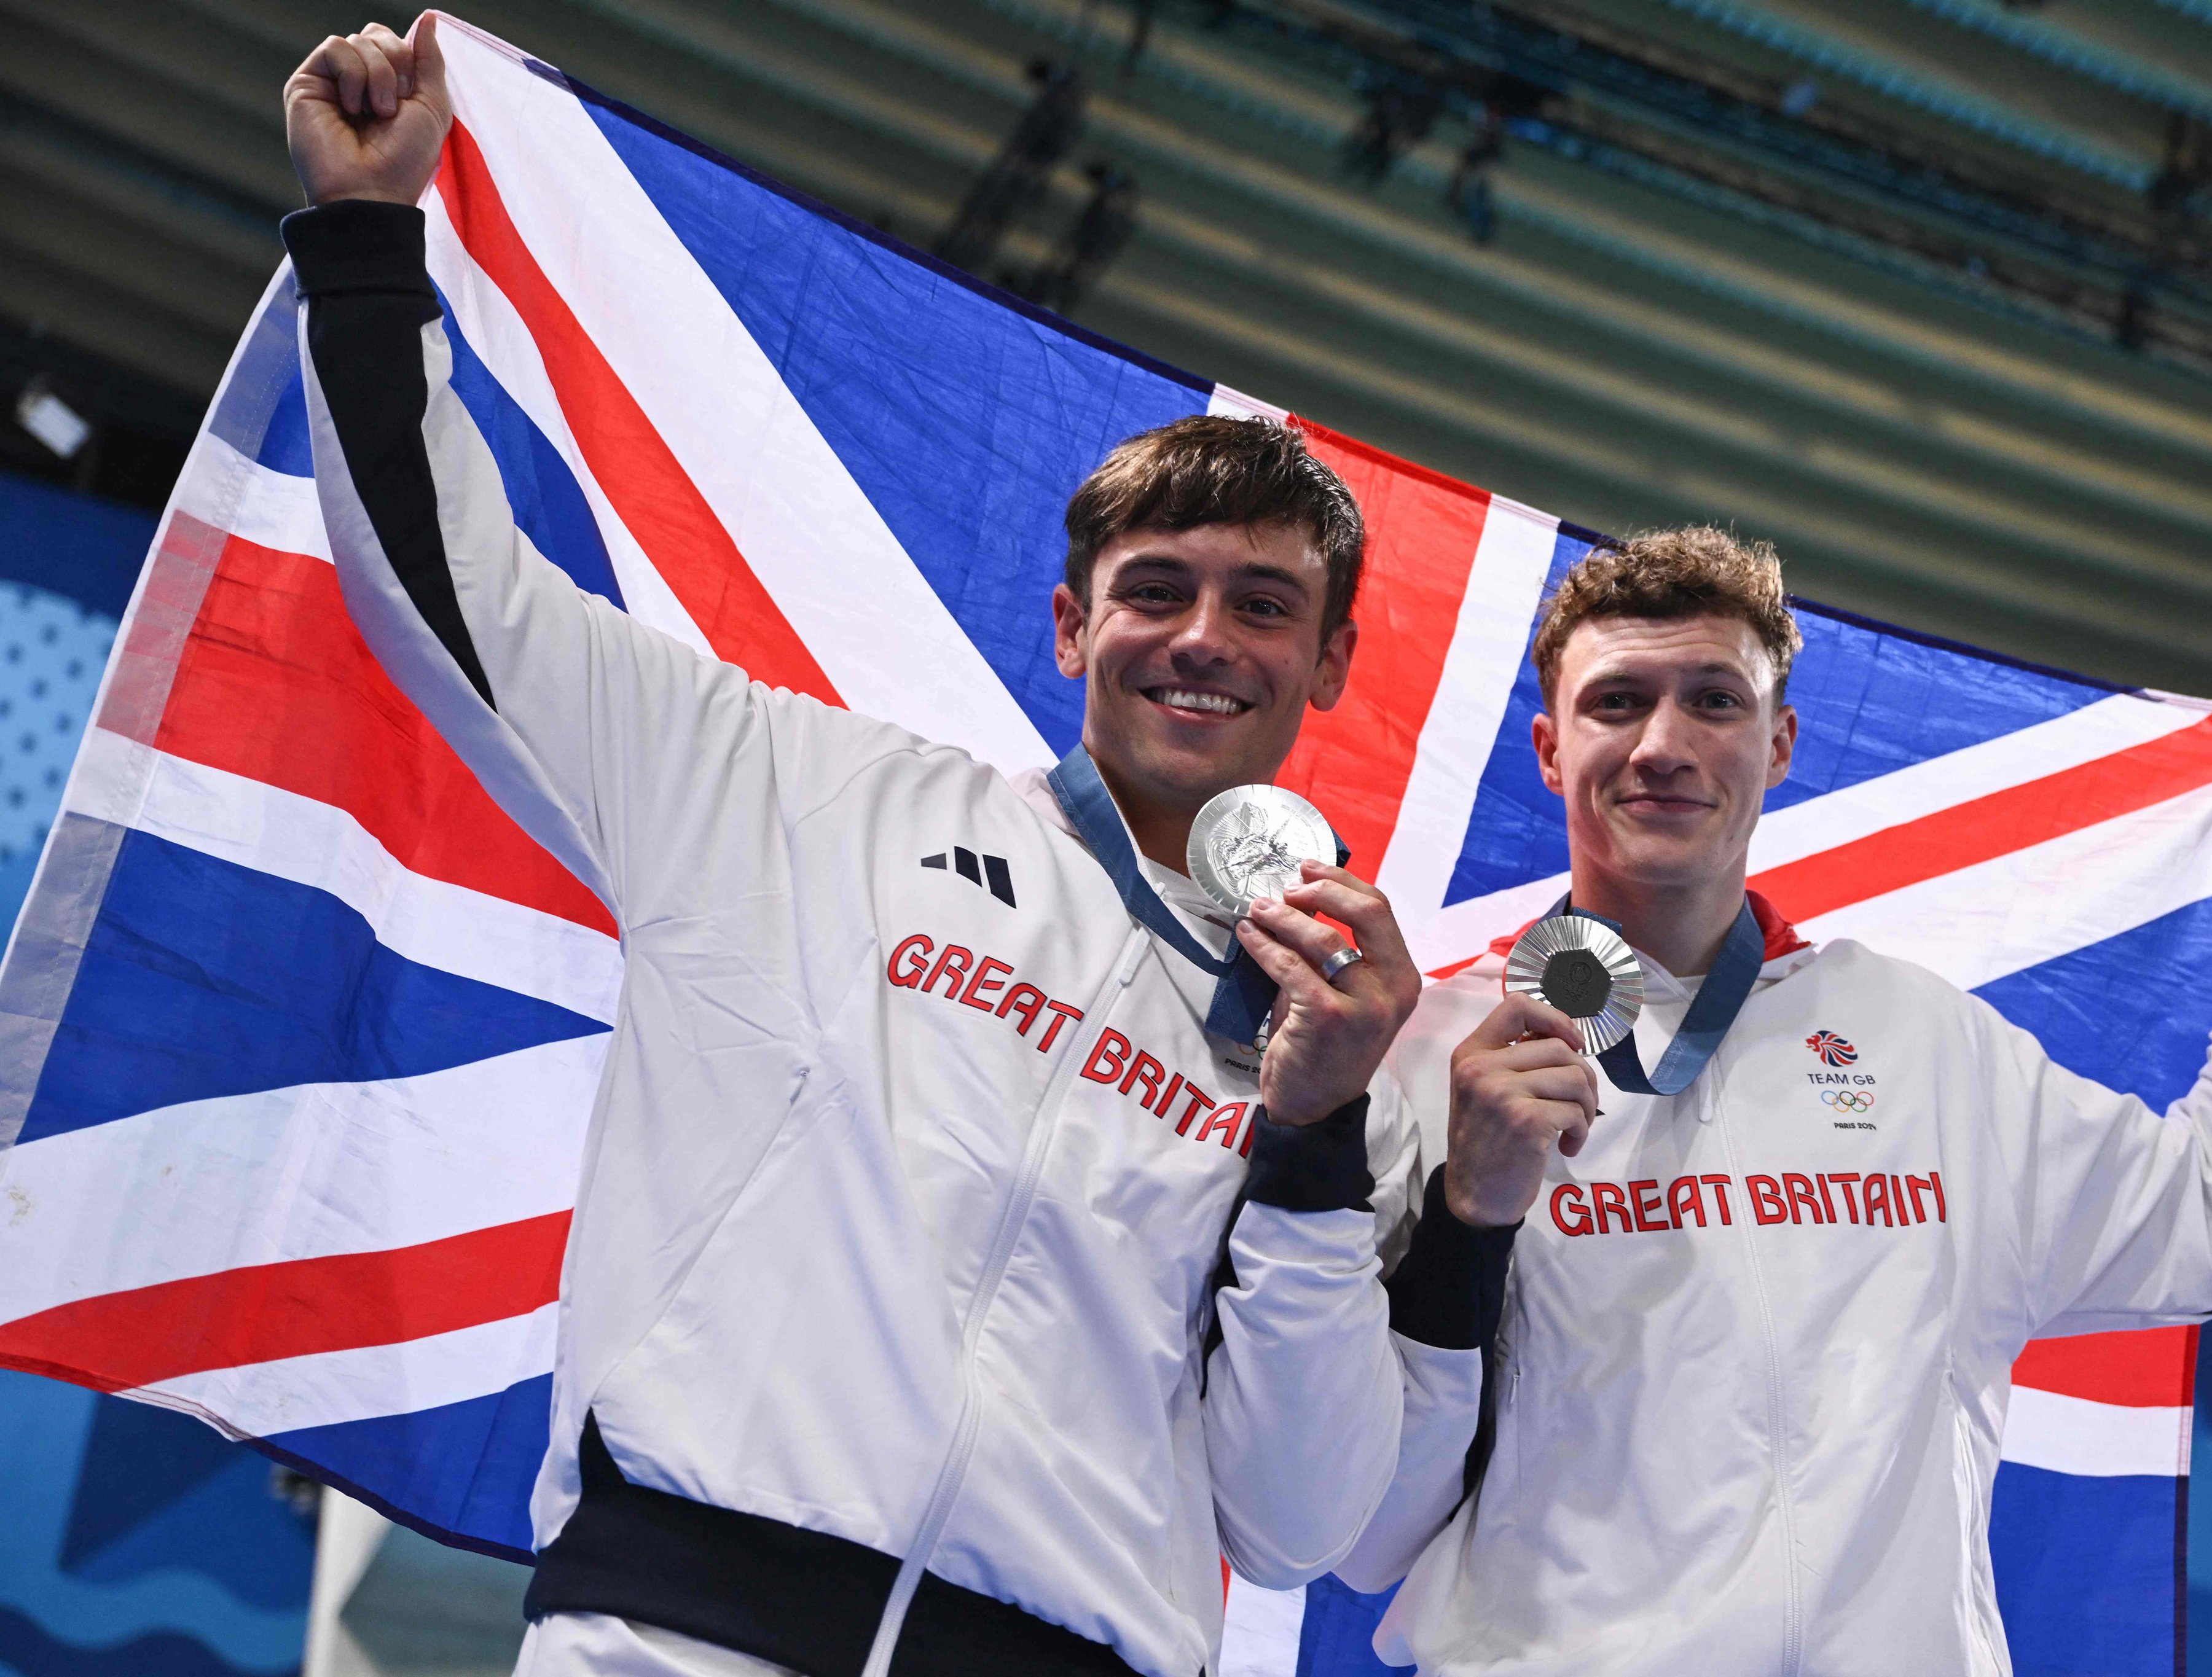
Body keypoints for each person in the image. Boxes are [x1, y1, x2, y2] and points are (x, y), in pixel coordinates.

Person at [281, 19, 1437, 1677]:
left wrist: (1318, 1141)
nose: (1204, 638)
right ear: (1068, 626)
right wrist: (368, 244)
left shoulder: (1340, 1039)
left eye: (1264, 605)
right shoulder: (790, 789)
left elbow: (1296, 1518)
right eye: (1157, 590)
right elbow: (470, 606)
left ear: (1326, 667)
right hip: (675, 1633)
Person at [1344, 527, 2212, 1674]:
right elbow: (1362, 1525)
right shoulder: (1436, 1054)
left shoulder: (1918, 1040)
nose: (1663, 744)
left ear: (1781, 742)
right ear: (1550, 747)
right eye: (1618, 701)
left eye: (1716, 702)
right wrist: (1464, 1217)